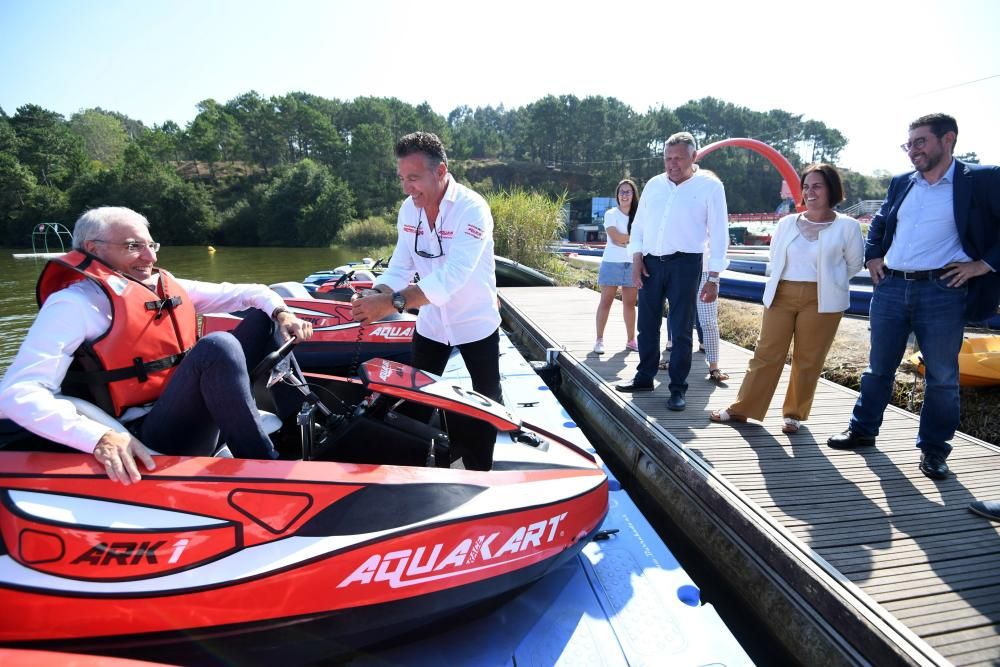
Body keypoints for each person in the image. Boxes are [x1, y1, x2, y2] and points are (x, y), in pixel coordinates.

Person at [0, 206, 314, 484]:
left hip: (188, 407)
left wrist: (281, 313)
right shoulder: (73, 304)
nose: (150, 257)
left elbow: (254, 292)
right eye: (133, 246)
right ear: (93, 249)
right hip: (151, 435)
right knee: (218, 346)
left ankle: (302, 427)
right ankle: (266, 470)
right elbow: (18, 394)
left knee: (264, 319)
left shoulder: (161, 287)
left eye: (151, 245)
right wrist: (97, 437)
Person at [827, 113, 1000, 480]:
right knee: (878, 368)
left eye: (920, 142)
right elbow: (881, 221)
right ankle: (862, 430)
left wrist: (982, 265)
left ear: (947, 139)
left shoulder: (983, 179)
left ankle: (934, 451)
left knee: (941, 376)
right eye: (909, 144)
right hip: (891, 286)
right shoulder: (902, 182)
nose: (913, 151)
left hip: (943, 291)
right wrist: (873, 255)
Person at [351, 132, 501, 471]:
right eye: (402, 178)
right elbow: (401, 265)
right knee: (415, 401)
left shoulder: (472, 209)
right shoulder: (408, 210)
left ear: (441, 171)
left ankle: (481, 475)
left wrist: (392, 303)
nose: (407, 188)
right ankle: (412, 473)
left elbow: (452, 278)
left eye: (414, 178)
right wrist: (376, 295)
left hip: (475, 325)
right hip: (431, 326)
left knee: (487, 403)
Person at [710, 164, 864, 432]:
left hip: (822, 298)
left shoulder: (848, 226)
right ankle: (742, 408)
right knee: (766, 352)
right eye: (806, 186)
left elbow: (853, 264)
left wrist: (829, 281)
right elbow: (775, 258)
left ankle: (794, 414)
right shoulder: (786, 223)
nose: (810, 191)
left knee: (809, 358)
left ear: (831, 189)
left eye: (817, 186)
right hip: (782, 292)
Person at [615, 132, 729, 411]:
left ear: (694, 156)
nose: (672, 163)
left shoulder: (710, 187)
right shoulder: (654, 184)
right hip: (651, 263)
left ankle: (678, 388)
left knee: (680, 330)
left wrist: (714, 276)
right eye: (668, 158)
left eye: (678, 158)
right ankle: (644, 377)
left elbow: (719, 234)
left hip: (686, 263)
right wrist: (637, 258)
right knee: (647, 324)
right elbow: (639, 226)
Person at [594, 179, 639, 354]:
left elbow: (639, 238)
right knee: (606, 301)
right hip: (612, 262)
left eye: (628, 192)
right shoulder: (611, 213)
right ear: (617, 195)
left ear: (633, 194)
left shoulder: (639, 215)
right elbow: (616, 238)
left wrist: (626, 240)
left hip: (632, 263)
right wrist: (631, 239)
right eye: (621, 192)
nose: (624, 195)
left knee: (629, 303)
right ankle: (599, 339)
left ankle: (631, 340)